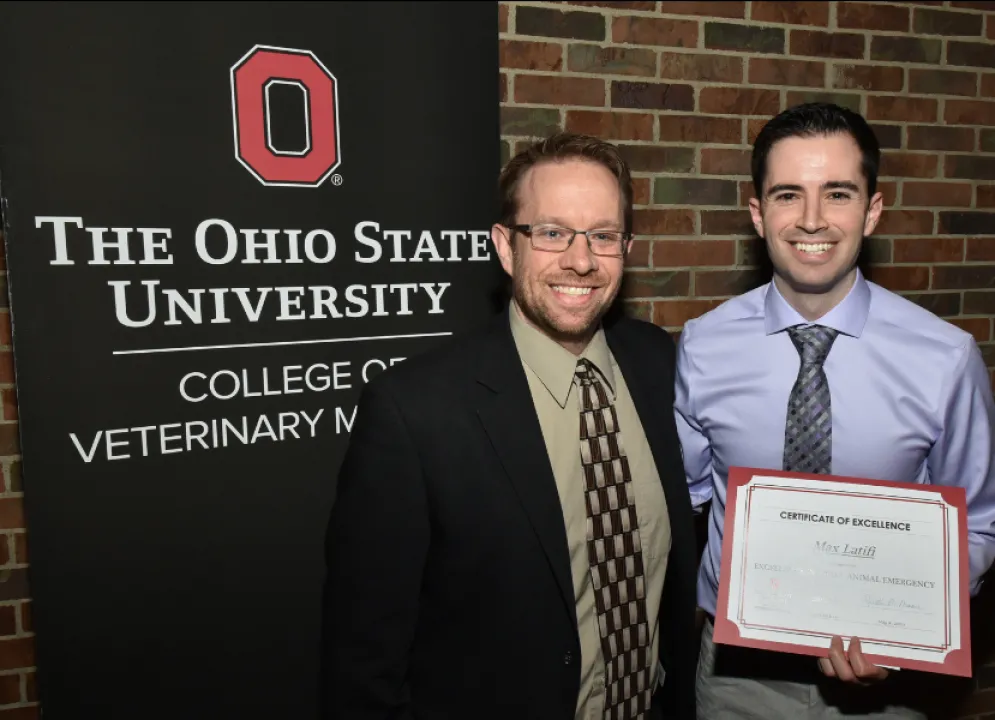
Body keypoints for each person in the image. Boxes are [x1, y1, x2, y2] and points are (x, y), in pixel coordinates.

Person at [319, 133, 698, 720]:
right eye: (550, 233)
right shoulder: (415, 410)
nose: (581, 260)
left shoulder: (655, 362)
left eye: (603, 235)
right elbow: (365, 656)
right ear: (505, 246)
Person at [675, 101, 995, 718]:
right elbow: (682, 499)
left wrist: (907, 627)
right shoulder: (703, 345)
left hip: (890, 686)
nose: (812, 219)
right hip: (739, 678)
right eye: (788, 194)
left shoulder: (945, 358)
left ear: (872, 210)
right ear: (757, 212)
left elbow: (978, 526)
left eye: (838, 193)